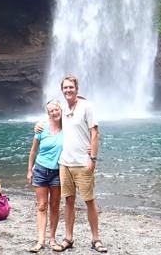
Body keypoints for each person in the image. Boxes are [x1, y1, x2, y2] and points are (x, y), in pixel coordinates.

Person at [49, 75, 106, 253]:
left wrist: (93, 158)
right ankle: (68, 238)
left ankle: (96, 239)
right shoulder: (63, 108)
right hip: (65, 163)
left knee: (89, 200)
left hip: (83, 163)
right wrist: (38, 127)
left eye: (71, 87)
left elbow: (95, 133)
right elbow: (51, 120)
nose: (68, 90)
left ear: (77, 88)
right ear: (62, 90)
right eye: (65, 88)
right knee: (69, 201)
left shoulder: (86, 106)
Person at [26, 100, 64, 252]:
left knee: (54, 206)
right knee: (42, 206)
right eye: (51, 111)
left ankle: (53, 239)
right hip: (41, 170)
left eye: (56, 109)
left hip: (58, 172)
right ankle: (40, 240)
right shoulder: (41, 128)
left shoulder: (68, 127)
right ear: (48, 114)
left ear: (61, 110)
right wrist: (29, 170)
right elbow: (33, 151)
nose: (54, 113)